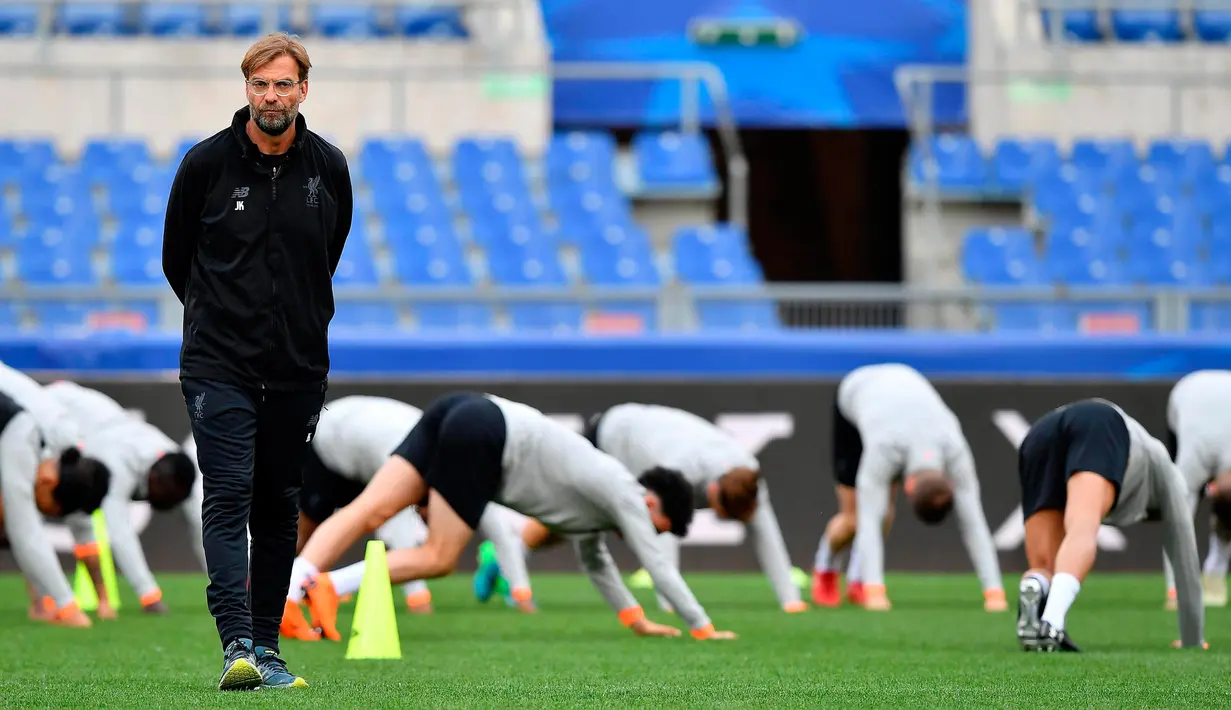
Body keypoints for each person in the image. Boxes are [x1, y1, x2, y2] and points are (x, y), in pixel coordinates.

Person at [161, 31, 352, 691]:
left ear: (304, 89)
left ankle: (267, 650)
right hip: (218, 365)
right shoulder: (205, 165)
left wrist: (293, 322)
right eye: (259, 84)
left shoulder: (328, 168)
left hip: (299, 367)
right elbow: (175, 260)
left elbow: (327, 256)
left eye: (282, 84)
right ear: (246, 89)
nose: (271, 96)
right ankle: (235, 644)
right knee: (229, 495)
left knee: (278, 506)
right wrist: (223, 320)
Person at [296, 392, 736, 640]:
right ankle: (328, 585)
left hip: (465, 409)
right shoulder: (624, 489)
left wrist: (635, 620)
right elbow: (658, 566)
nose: (642, 538)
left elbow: (595, 561)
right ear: (653, 503)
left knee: (367, 509)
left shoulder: (599, 509)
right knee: (439, 556)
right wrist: (702, 627)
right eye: (658, 529)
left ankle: (291, 593)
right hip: (490, 432)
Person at [280, 395, 534, 643]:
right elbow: (393, 526)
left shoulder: (456, 465)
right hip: (332, 440)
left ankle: (311, 585)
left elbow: (496, 524)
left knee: (343, 521)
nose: (425, 520)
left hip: (364, 439)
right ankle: (274, 589)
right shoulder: (407, 464)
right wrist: (418, 597)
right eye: (424, 516)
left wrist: (521, 591)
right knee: (304, 530)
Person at [1015, 398, 1205, 652]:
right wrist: (1193, 638)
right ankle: (1052, 623)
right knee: (1082, 524)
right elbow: (1185, 560)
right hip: (1101, 425)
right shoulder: (1172, 481)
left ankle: (1036, 586)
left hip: (1040, 432)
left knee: (1043, 565)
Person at [812, 363, 1005, 612]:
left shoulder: (955, 451)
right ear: (909, 486)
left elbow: (974, 522)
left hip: (899, 396)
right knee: (856, 519)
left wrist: (995, 593)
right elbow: (870, 517)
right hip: (856, 393)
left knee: (885, 512)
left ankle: (858, 577)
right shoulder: (885, 450)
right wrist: (876, 593)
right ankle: (826, 565)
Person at [584, 402, 806, 613]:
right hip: (614, 434)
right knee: (570, 518)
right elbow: (664, 531)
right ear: (712, 492)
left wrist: (791, 601)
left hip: (646, 447)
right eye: (726, 514)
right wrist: (670, 603)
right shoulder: (682, 469)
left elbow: (768, 537)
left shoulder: (749, 480)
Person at [49, 382, 202, 615]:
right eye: (167, 494)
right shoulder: (116, 465)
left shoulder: (170, 458)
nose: (170, 501)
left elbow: (202, 521)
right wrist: (148, 595)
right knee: (77, 515)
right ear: (156, 479)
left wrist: (235, 583)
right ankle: (49, 600)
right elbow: (120, 533)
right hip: (56, 409)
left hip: (92, 415)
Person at [0, 389, 111, 628]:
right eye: (47, 510)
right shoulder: (21, 433)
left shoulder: (50, 440)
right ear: (49, 483)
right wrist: (68, 607)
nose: (39, 512)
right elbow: (26, 532)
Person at [1163, 370, 1231, 609]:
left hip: (1195, 395)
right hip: (1187, 398)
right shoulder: (1197, 454)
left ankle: (1214, 577)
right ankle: (1177, 587)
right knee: (1179, 505)